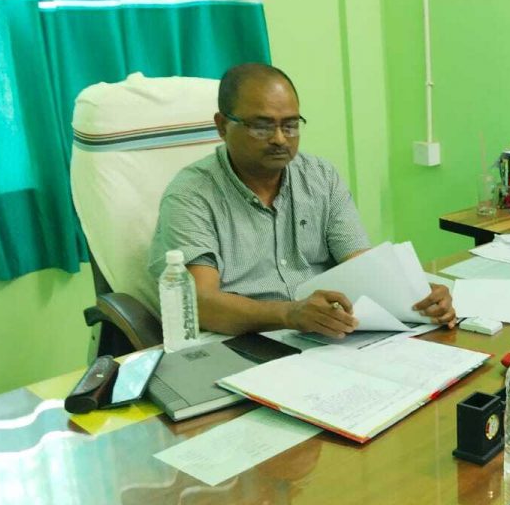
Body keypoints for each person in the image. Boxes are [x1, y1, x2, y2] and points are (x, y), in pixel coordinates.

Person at [148, 63, 455, 338]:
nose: (280, 139)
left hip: (328, 335)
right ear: (222, 126)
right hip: (243, 340)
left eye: (291, 125)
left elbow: (361, 265)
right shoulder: (191, 194)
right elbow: (199, 304)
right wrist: (289, 314)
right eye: (262, 126)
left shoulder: (320, 176)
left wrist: (417, 294)